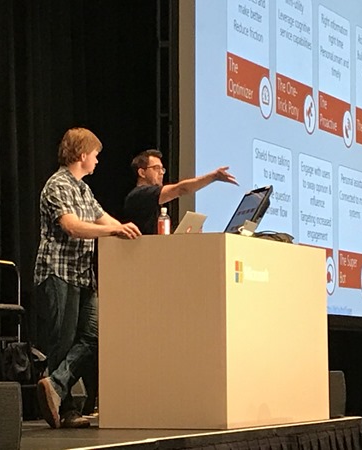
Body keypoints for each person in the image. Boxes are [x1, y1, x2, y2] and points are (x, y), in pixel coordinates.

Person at [34, 127, 141, 429]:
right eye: (95, 155)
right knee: (63, 343)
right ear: (82, 155)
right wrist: (114, 230)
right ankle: (66, 411)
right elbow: (72, 226)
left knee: (95, 336)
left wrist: (132, 234)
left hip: (82, 276)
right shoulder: (57, 185)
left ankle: (55, 385)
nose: (97, 160)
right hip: (58, 272)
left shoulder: (83, 189)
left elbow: (105, 219)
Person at [123, 149, 238, 234]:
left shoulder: (151, 199)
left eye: (162, 169)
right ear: (142, 173)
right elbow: (180, 189)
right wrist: (213, 176)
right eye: (156, 168)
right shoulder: (139, 194)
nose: (161, 173)